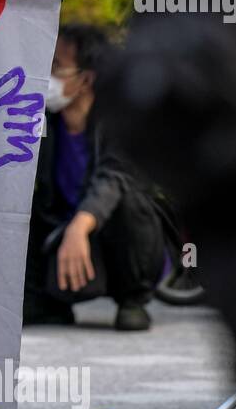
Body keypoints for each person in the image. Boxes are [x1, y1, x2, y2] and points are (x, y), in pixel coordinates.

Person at [23, 24, 165, 331]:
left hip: (116, 240)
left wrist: (80, 225)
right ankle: (46, 303)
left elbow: (114, 178)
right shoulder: (43, 123)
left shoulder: (120, 122)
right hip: (64, 236)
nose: (47, 78)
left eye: (56, 67)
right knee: (22, 202)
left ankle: (132, 299)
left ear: (86, 79)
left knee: (129, 200)